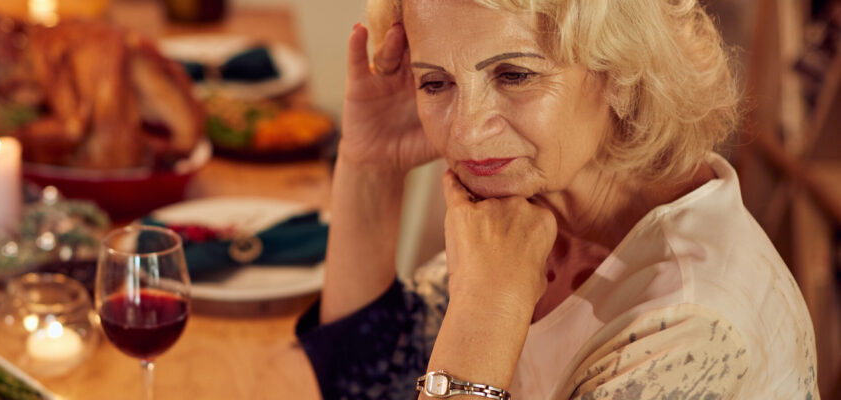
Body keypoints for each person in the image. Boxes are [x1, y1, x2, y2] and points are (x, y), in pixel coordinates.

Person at [295, 0, 820, 399]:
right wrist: (370, 167)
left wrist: (486, 312)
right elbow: (370, 382)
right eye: (436, 83)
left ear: (620, 71)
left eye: (515, 74)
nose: (466, 133)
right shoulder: (529, 209)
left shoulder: (696, 327)